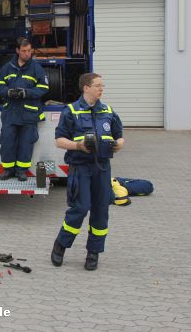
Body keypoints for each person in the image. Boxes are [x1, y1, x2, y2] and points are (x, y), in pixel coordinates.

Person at [51, 73, 125, 271]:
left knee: (101, 211)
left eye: (102, 86)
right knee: (80, 208)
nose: (101, 89)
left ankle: (94, 252)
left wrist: (118, 144)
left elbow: (120, 136)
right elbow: (59, 141)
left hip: (102, 168)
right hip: (81, 168)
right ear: (86, 88)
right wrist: (78, 146)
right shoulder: (71, 111)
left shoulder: (108, 111)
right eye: (98, 85)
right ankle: (61, 245)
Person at [0, 39, 49, 181]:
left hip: (28, 113)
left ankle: (21, 171)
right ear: (17, 51)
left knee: (26, 144)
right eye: (24, 51)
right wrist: (8, 92)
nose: (27, 54)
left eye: (29, 51)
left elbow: (44, 88)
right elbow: (0, 86)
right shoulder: (6, 68)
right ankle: (8, 170)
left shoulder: (37, 68)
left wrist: (27, 93)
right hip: (10, 113)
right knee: (7, 142)